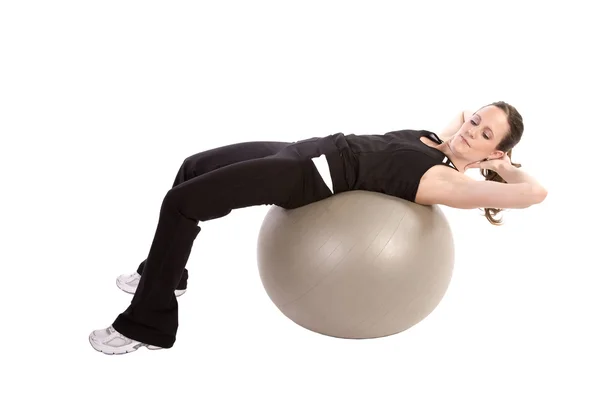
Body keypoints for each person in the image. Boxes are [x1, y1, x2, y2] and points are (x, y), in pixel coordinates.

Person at [89, 101, 547, 355]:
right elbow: (461, 110)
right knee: (192, 166)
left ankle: (147, 325)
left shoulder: (448, 181)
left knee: (181, 204)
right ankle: (164, 276)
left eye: (486, 135)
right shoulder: (436, 139)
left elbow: (534, 194)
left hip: (306, 178)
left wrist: (505, 167)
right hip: (301, 148)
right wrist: (469, 129)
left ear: (493, 154)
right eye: (476, 121)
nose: (471, 130)